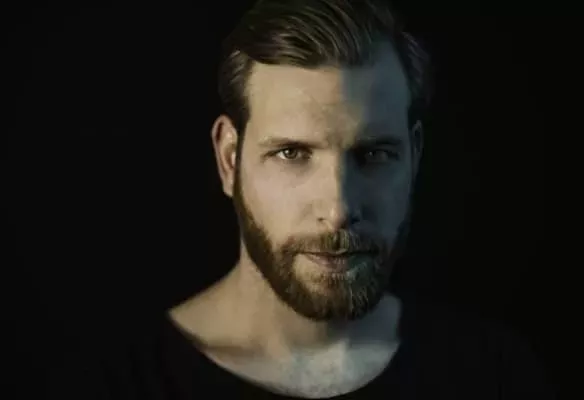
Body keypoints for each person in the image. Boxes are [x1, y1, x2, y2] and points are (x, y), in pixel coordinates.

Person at [47, 0, 555, 398]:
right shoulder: (111, 386)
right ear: (229, 159)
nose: (338, 209)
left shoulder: (493, 374)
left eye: (374, 154)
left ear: (415, 156)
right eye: (292, 153)